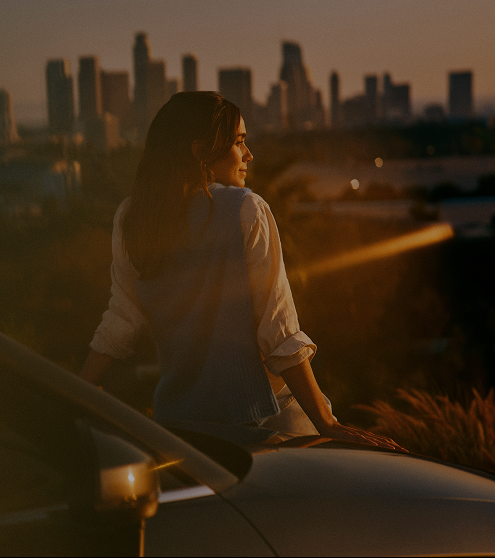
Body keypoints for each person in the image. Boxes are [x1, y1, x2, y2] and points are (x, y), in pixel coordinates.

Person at [80, 92, 403, 452]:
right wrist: (327, 422)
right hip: (269, 422)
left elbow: (120, 319)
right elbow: (278, 334)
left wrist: (79, 391)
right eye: (239, 142)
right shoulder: (245, 209)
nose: (249, 155)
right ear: (200, 150)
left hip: (182, 429)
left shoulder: (133, 217)